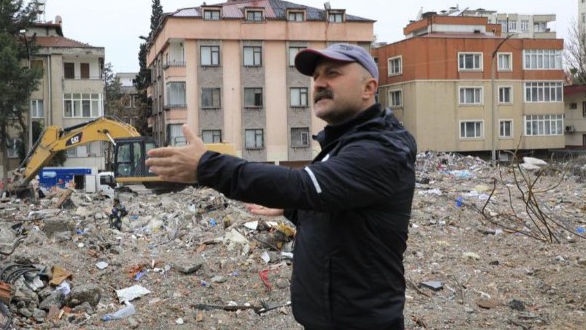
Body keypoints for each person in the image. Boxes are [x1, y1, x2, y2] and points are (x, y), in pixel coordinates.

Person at [145, 43, 417, 330]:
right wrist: (292, 208)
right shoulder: (342, 146)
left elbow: (304, 186)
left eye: (333, 73)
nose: (320, 83)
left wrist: (207, 166)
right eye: (316, 77)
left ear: (369, 88)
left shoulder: (380, 150)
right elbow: (342, 216)